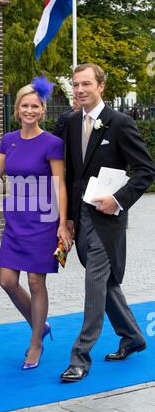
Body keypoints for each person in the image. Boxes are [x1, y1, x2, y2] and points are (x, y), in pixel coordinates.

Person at [0, 76, 72, 370]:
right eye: (24, 105)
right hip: (15, 220)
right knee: (7, 281)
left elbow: (60, 185)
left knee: (36, 282)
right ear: (17, 109)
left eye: (35, 105)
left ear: (42, 109)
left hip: (43, 220)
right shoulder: (8, 140)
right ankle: (40, 325)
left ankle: (35, 343)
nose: (29, 110)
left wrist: (63, 223)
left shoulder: (53, 143)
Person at [60, 64, 155, 382]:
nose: (80, 90)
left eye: (86, 84)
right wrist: (69, 219)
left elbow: (145, 170)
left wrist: (118, 200)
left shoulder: (119, 123)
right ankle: (132, 336)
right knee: (105, 282)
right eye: (76, 85)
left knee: (94, 283)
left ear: (101, 85)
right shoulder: (72, 122)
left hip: (107, 220)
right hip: (81, 218)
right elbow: (72, 174)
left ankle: (80, 356)